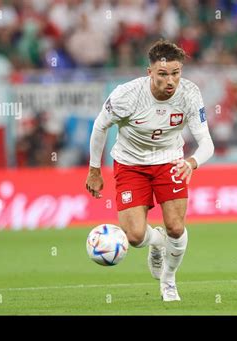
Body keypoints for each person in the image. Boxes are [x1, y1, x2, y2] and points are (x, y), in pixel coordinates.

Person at [86, 40, 214, 301]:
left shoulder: (190, 94)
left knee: (176, 228)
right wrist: (94, 169)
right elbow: (100, 127)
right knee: (133, 236)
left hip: (170, 161)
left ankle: (168, 281)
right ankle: (156, 244)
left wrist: (191, 162)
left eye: (176, 73)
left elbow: (206, 143)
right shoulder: (126, 95)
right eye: (163, 74)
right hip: (130, 164)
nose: (170, 81)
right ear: (150, 72)